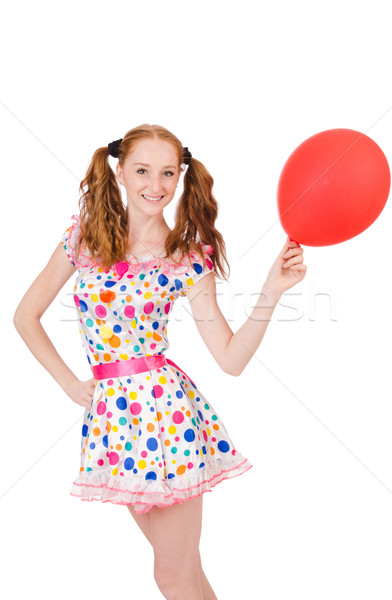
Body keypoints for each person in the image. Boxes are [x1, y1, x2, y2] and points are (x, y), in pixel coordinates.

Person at [13, 123, 307, 600]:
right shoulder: (84, 240)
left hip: (166, 421)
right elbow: (26, 316)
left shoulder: (186, 258)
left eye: (167, 173)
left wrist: (270, 292)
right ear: (120, 173)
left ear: (180, 177)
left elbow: (230, 359)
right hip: (116, 422)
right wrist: (70, 385)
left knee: (172, 577)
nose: (156, 185)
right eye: (143, 171)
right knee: (185, 575)